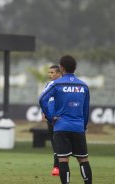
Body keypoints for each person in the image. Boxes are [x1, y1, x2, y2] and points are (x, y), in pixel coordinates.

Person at [39, 55, 92, 184]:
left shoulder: (56, 84)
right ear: (74, 68)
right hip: (78, 127)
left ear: (61, 68)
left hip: (61, 127)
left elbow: (42, 99)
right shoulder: (83, 86)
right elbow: (86, 110)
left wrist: (50, 117)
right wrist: (83, 126)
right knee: (83, 160)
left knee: (63, 160)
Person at [41, 65, 61, 176]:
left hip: (61, 118)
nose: (50, 75)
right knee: (54, 142)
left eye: (52, 72)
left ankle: (58, 166)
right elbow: (44, 99)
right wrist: (43, 112)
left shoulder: (63, 85)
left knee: (60, 142)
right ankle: (56, 167)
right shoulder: (48, 84)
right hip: (50, 118)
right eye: (49, 72)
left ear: (59, 73)